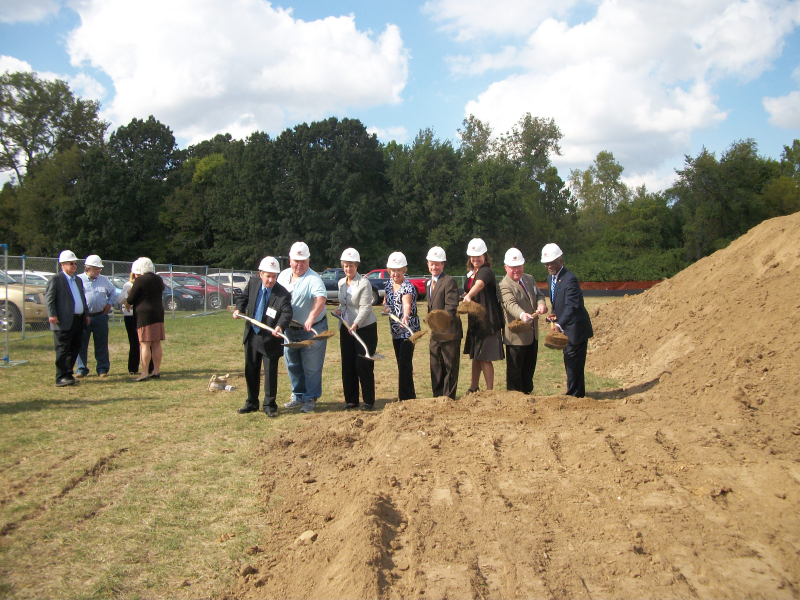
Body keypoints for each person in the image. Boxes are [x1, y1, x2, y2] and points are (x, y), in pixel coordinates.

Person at [233, 256, 292, 418]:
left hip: (270, 338)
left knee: (270, 373)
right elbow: (243, 298)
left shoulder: (282, 294)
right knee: (251, 369)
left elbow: (287, 313)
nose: (271, 280)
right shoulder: (253, 284)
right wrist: (239, 309)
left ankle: (269, 405)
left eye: (274, 276)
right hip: (252, 335)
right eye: (268, 276)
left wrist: (280, 325)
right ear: (260, 274)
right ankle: (252, 402)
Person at [278, 242, 328, 414]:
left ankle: (311, 398)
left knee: (311, 366)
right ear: (290, 260)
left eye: (303, 261)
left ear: (308, 260)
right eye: (296, 260)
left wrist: (311, 317)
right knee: (292, 363)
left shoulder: (313, 278)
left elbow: (320, 299)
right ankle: (298, 395)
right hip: (289, 329)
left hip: (312, 329)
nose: (299, 265)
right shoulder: (283, 276)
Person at [541, 243, 594, 397]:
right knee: (570, 363)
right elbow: (559, 301)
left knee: (574, 364)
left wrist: (558, 324)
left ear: (561, 260)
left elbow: (572, 306)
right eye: (547, 263)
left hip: (576, 329)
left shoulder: (569, 279)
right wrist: (554, 313)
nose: (550, 266)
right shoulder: (551, 278)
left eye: (553, 262)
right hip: (567, 328)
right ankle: (575, 394)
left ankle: (575, 396)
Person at [333, 248, 378, 411]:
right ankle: (351, 400)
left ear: (356, 266)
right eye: (345, 266)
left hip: (364, 328)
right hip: (346, 328)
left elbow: (365, 307)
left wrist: (356, 324)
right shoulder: (341, 283)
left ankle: (368, 400)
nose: (348, 269)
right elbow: (344, 303)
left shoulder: (364, 283)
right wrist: (339, 310)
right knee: (348, 364)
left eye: (351, 266)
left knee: (363, 363)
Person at [499, 248, 547, 394]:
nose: (516, 270)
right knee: (515, 372)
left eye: (519, 266)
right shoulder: (503, 285)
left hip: (532, 335)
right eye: (513, 267)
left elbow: (539, 294)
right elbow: (510, 304)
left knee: (529, 369)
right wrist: (522, 315)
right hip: (516, 337)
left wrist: (541, 304)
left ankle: (527, 395)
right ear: (506, 267)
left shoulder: (529, 278)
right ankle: (515, 399)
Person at [462, 238, 504, 393]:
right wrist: (465, 295)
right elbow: (469, 289)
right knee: (476, 356)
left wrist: (469, 295)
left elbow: (479, 284)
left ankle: (490, 391)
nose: (475, 259)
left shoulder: (486, 271)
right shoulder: (470, 274)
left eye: (478, 256)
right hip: (475, 321)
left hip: (488, 320)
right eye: (472, 256)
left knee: (485, 357)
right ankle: (473, 387)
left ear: (485, 256)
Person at [45, 250, 90, 387]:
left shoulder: (77, 280)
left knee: (75, 347)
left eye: (75, 263)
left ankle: (68, 374)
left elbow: (82, 298)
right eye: (71, 263)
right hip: (63, 320)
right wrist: (52, 314)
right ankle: (60, 377)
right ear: (63, 265)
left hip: (77, 319)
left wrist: (86, 314)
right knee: (63, 349)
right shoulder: (56, 279)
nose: (74, 265)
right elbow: (49, 298)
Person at [425, 246, 462, 399]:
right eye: (432, 264)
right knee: (435, 365)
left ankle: (448, 398)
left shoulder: (449, 282)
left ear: (443, 265)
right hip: (436, 333)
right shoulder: (429, 283)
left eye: (438, 264)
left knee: (450, 367)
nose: (434, 267)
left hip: (449, 333)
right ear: (428, 264)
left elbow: (451, 308)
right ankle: (437, 396)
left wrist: (438, 321)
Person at [382, 251, 420, 401]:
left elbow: (407, 303)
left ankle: (405, 398)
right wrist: (385, 307)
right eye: (393, 270)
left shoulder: (407, 287)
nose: (395, 273)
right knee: (401, 364)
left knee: (404, 364)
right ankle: (409, 396)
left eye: (398, 270)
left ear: (404, 270)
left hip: (408, 331)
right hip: (395, 331)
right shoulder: (388, 284)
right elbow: (387, 302)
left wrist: (405, 315)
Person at [125, 257, 165, 382]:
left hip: (144, 315)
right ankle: (156, 370)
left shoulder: (140, 280)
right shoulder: (158, 279)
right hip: (158, 313)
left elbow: (131, 299)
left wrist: (128, 299)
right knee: (156, 343)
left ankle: (144, 372)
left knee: (144, 343)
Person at [75, 254, 115, 378]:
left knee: (101, 343)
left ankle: (102, 369)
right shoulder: (78, 280)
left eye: (99, 268)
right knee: (81, 344)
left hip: (100, 317)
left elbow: (113, 292)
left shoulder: (104, 280)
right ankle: (81, 369)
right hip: (84, 317)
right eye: (97, 268)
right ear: (88, 269)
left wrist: (109, 304)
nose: (99, 271)